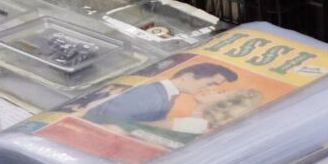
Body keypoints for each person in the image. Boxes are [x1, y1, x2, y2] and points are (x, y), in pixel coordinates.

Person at [81, 61, 239, 126]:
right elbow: (106, 119)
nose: (210, 89)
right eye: (210, 83)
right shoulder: (151, 95)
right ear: (187, 76)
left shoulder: (165, 96)